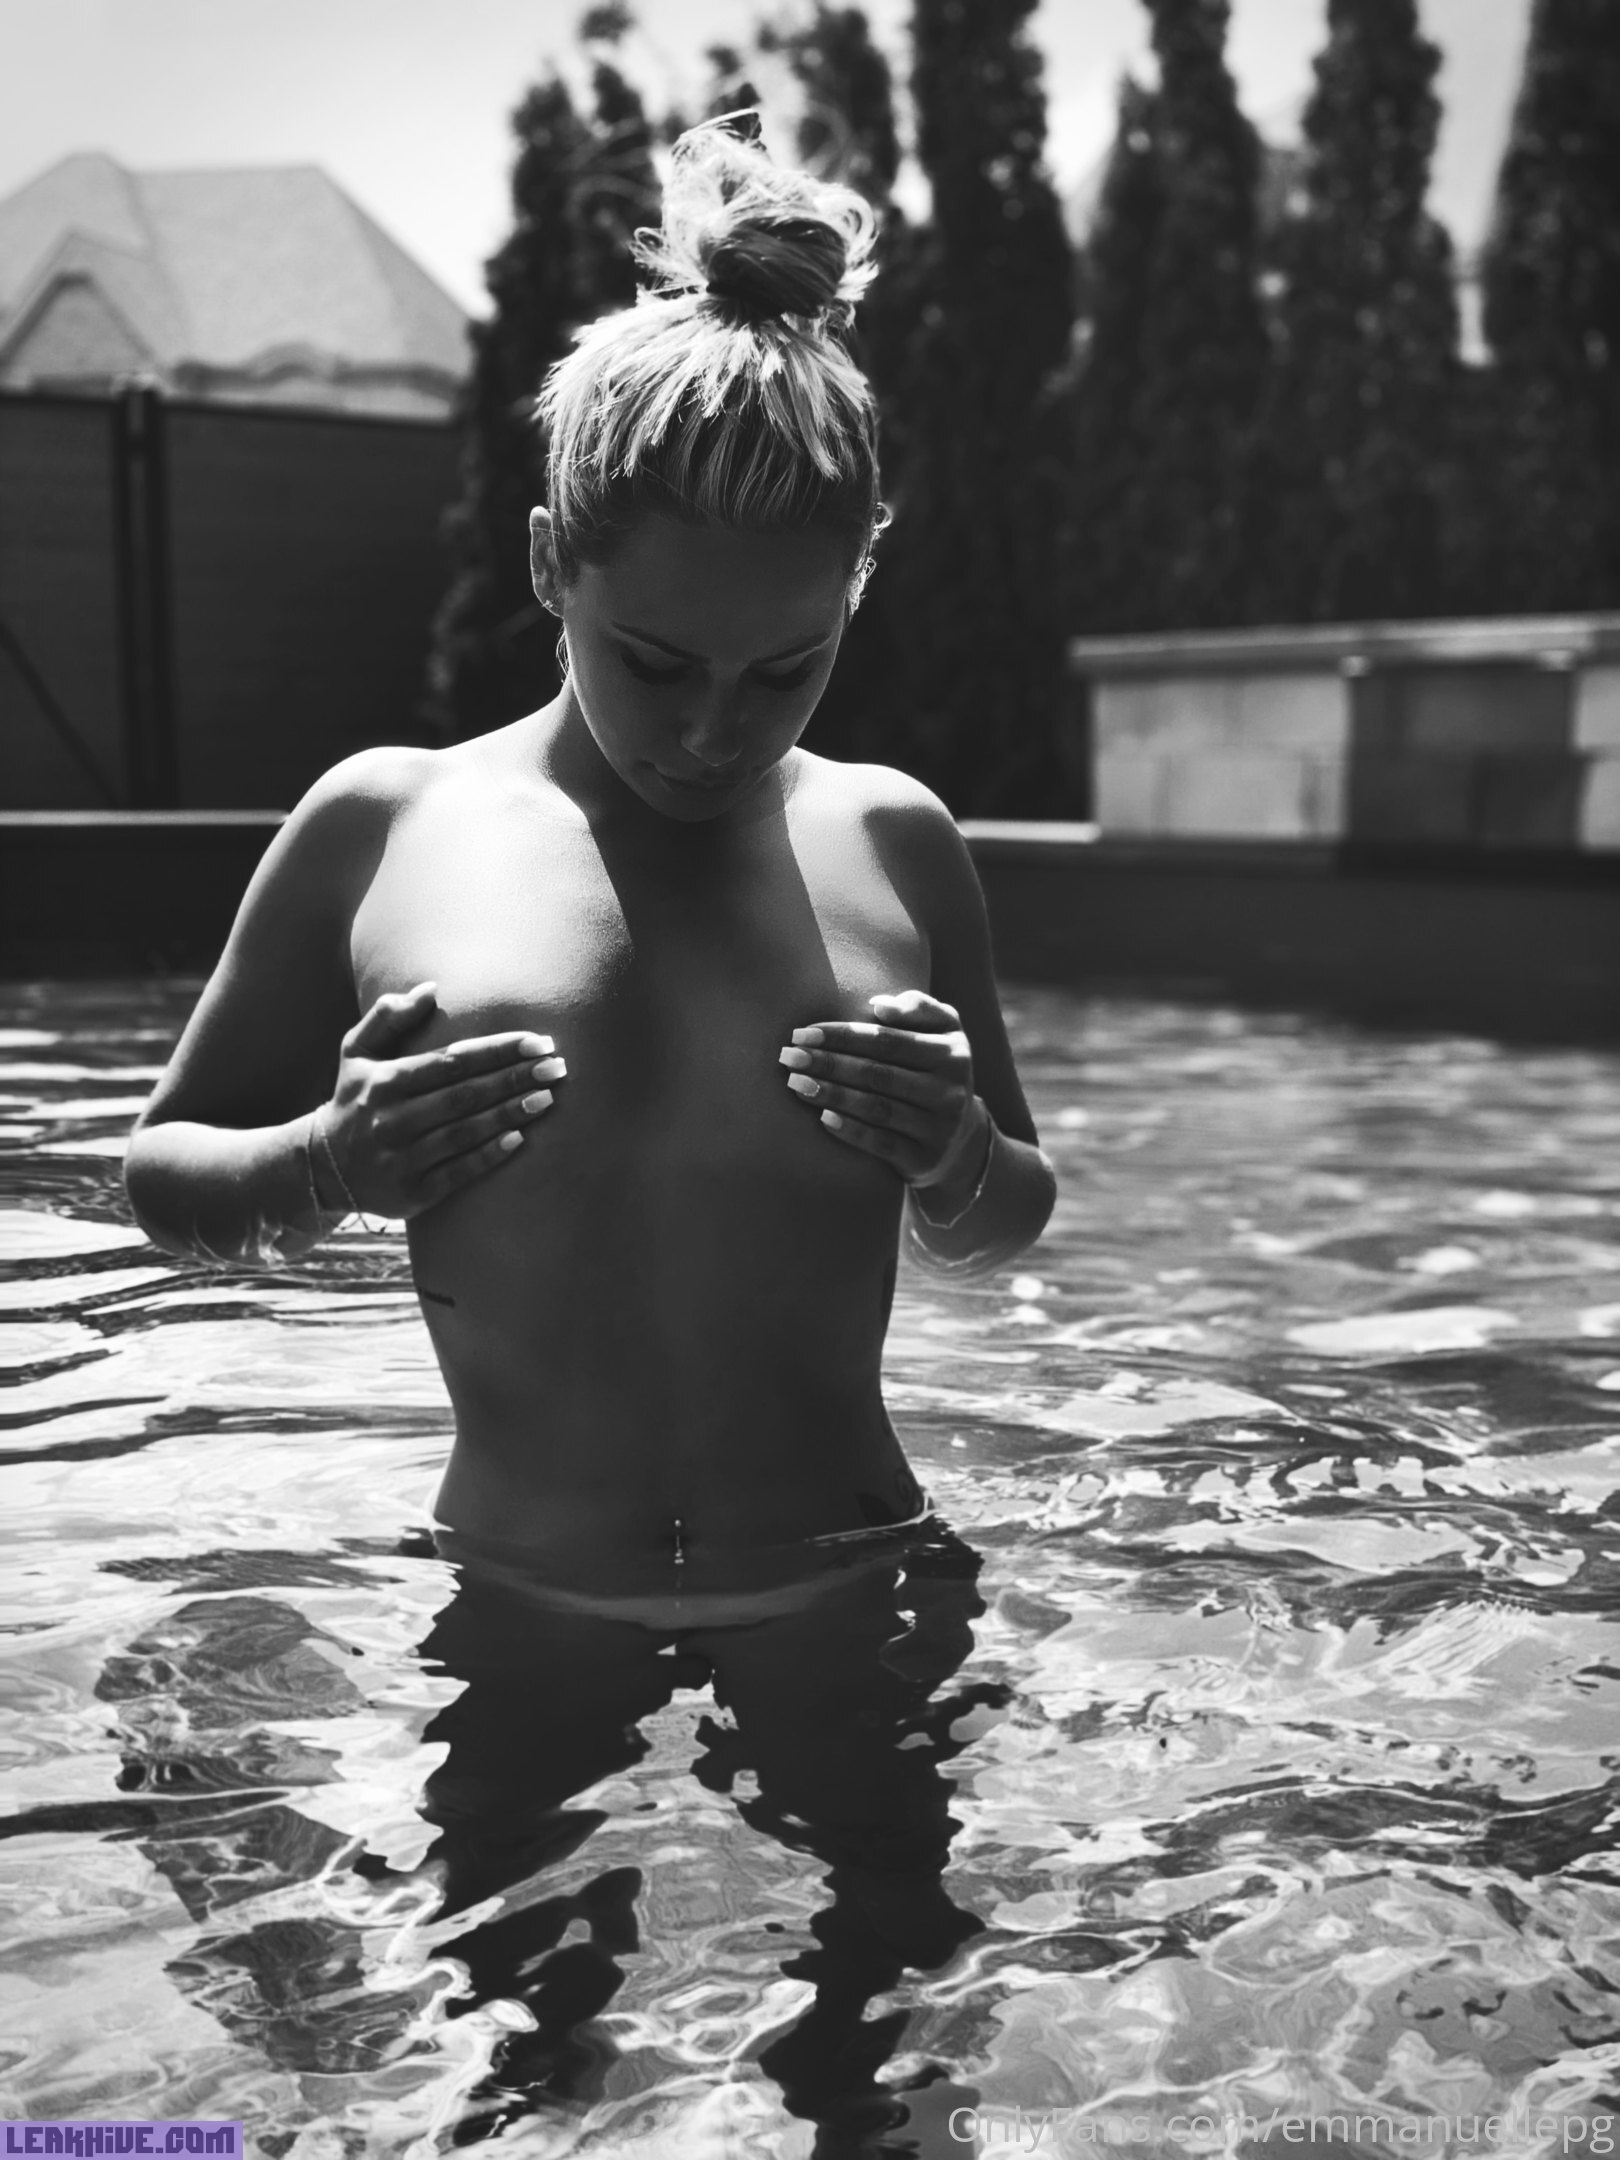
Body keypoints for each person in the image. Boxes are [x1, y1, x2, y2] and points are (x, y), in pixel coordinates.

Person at [122, 114, 1056, 2139]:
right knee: (518, 2071)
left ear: (859, 588)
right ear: (554, 561)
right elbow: (157, 1172)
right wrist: (320, 1164)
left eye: (787, 668)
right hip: (525, 1594)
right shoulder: (386, 822)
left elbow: (1011, 1211)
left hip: (851, 1578)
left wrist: (957, 1156)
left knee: (887, 2075)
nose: (717, 726)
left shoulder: (892, 838)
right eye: (656, 660)